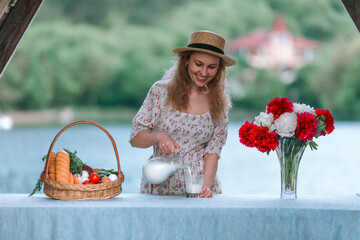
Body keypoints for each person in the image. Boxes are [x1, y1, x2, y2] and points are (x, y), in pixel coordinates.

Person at [129, 30, 236, 198]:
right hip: (160, 185)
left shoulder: (219, 104)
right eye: (198, 64)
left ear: (219, 69)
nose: (204, 72)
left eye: (212, 67)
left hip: (199, 186)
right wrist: (158, 137)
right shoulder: (160, 92)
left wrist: (205, 188)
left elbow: (212, 154)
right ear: (186, 60)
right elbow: (135, 138)